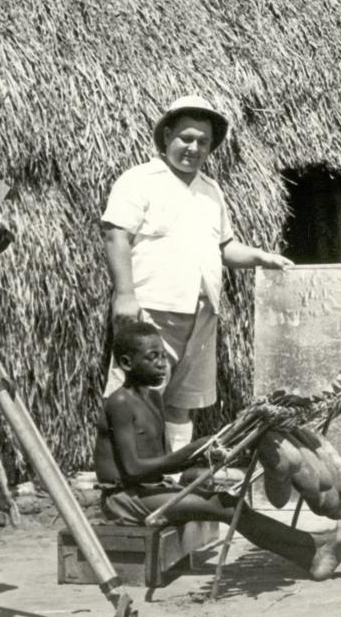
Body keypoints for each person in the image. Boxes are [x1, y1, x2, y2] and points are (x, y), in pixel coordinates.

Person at [94, 319, 341, 578]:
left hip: (148, 489)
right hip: (124, 499)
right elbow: (132, 470)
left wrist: (207, 455)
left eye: (162, 356)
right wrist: (191, 453)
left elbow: (160, 462)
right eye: (151, 357)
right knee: (226, 505)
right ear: (127, 363)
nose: (162, 364)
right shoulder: (120, 403)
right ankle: (313, 552)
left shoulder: (152, 398)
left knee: (221, 495)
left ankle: (316, 545)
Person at [101, 95, 292, 451]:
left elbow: (225, 249)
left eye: (202, 142)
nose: (194, 148)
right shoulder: (139, 180)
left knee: (182, 403)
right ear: (168, 136)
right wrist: (125, 295)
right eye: (186, 138)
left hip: (201, 313)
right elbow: (116, 235)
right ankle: (126, 485)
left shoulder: (210, 191)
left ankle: (171, 483)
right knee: (135, 398)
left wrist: (262, 257)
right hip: (152, 311)